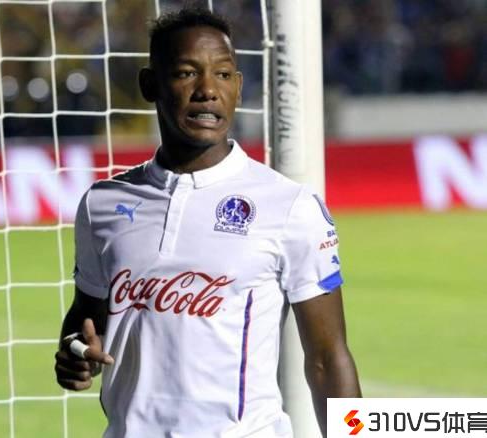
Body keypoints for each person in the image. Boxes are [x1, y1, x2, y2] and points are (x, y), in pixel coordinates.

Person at [54, 6, 361, 437]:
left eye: (223, 74)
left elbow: (328, 358)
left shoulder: (290, 206)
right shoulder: (102, 205)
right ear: (150, 85)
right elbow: (85, 319)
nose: (207, 91)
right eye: (186, 73)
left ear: (238, 86)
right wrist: (74, 351)